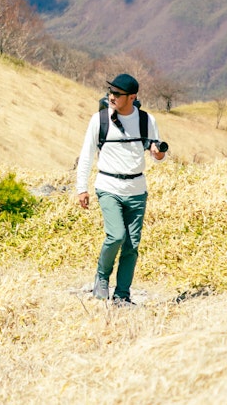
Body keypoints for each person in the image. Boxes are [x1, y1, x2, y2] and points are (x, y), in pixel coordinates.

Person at [76, 73, 166, 305]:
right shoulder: (100, 120)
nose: (111, 96)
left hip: (137, 189)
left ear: (132, 97)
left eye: (117, 94)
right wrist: (81, 188)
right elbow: (86, 154)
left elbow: (156, 154)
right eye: (110, 92)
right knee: (116, 236)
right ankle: (102, 277)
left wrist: (158, 154)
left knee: (132, 245)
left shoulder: (147, 120)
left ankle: (122, 295)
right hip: (108, 186)